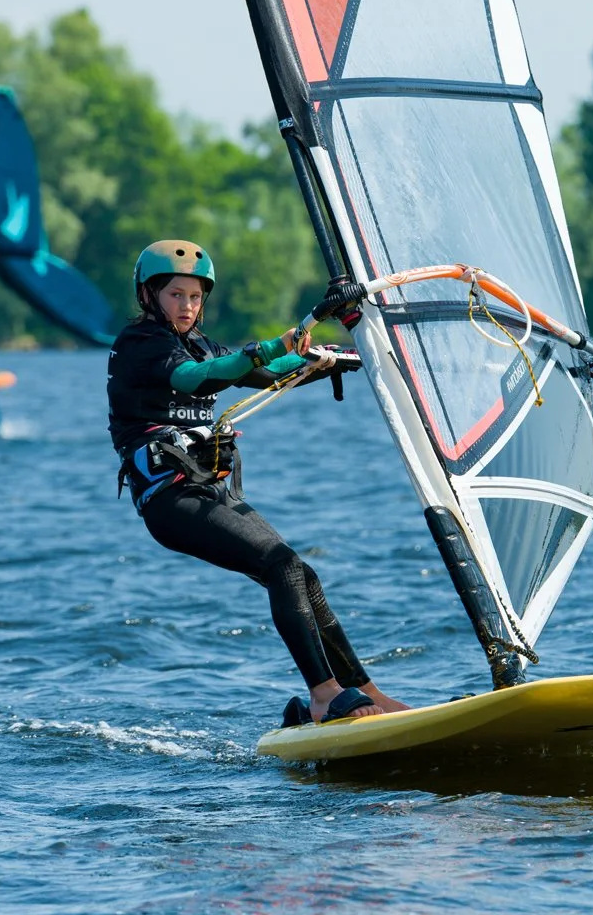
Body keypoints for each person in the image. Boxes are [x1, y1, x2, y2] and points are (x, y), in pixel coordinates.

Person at [108, 238, 407, 724]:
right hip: (169, 502)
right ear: (150, 296)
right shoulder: (140, 344)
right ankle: (325, 695)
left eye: (195, 296)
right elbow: (201, 377)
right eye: (175, 295)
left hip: (206, 490)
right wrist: (274, 344)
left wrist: (332, 357)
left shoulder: (199, 342)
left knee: (303, 577)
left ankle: (368, 694)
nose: (187, 306)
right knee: (282, 567)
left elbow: (265, 372)